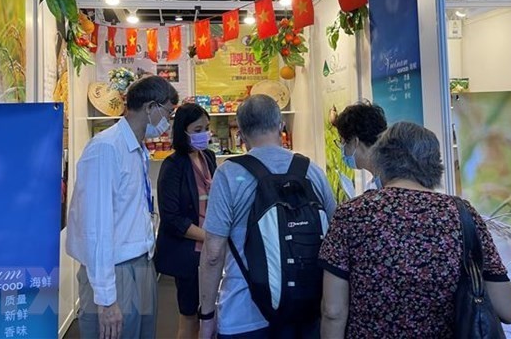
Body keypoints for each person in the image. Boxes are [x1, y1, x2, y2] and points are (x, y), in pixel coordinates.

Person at [319, 121, 511, 338]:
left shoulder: (352, 214)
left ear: (381, 160)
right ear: (435, 165)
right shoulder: (461, 214)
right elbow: (508, 309)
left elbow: (333, 311)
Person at [199, 94, 336, 339]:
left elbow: (212, 253)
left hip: (244, 315)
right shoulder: (310, 170)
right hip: (306, 311)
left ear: (240, 132)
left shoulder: (228, 174)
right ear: (281, 124)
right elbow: (335, 238)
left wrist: (207, 317)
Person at [66, 75, 178, 339]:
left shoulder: (137, 149)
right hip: (114, 270)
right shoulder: (106, 149)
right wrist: (106, 298)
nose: (168, 122)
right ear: (150, 107)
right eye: (168, 113)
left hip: (140, 263)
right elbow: (96, 227)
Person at [154, 103, 217, 339]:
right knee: (189, 314)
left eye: (207, 128)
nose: (204, 134)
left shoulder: (208, 157)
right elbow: (171, 218)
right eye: (198, 129)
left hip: (212, 249)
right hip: (189, 251)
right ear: (183, 131)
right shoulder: (173, 166)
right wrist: (208, 236)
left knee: (211, 312)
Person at [334, 101, 387, 192]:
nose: (342, 148)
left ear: (355, 141)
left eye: (342, 142)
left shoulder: (387, 180)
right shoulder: (374, 182)